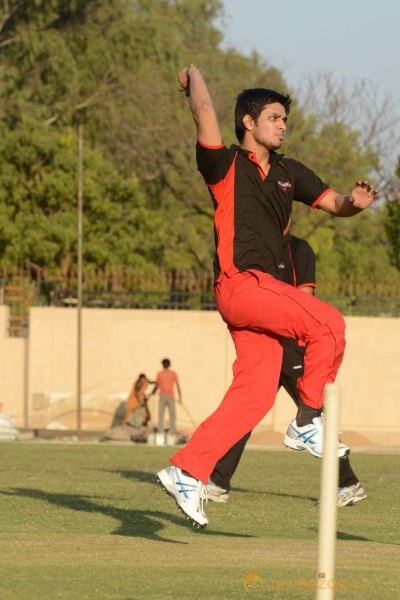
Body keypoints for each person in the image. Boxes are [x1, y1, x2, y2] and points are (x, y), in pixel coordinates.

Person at [157, 65, 377, 528]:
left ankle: (187, 470)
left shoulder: (289, 172)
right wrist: (195, 74)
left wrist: (353, 205)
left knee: (254, 395)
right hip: (243, 283)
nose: (283, 125)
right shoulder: (223, 165)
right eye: (275, 117)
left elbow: (335, 203)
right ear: (249, 123)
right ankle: (307, 422)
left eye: (285, 119)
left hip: (254, 296)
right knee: (330, 326)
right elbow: (202, 109)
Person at [207, 225, 367, 508]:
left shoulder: (298, 249)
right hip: (266, 345)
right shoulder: (253, 251)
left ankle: (348, 483)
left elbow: (306, 301)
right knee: (246, 408)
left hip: (294, 347)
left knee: (312, 416)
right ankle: (218, 482)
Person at [152, 358, 182, 434]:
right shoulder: (173, 373)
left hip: (162, 396)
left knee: (161, 413)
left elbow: (156, 386)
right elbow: (178, 386)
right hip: (170, 396)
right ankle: (172, 430)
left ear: (162, 365)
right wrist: (180, 397)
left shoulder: (159, 374)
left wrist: (152, 393)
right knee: (172, 413)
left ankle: (160, 430)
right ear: (169, 365)